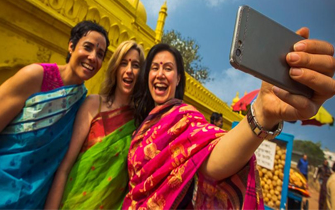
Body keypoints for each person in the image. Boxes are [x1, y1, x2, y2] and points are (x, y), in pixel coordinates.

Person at [123, 27, 335, 209]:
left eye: (168, 68)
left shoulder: (183, 117)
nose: (160, 74)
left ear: (178, 78)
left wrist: (262, 112)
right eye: (154, 67)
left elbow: (213, 160)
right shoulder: (141, 123)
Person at [0, 20, 109, 209]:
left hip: (31, 202)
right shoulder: (35, 77)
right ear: (71, 46)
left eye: (100, 54)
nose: (92, 58)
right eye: (87, 48)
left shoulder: (82, 103)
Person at [44, 41, 145, 209]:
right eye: (123, 63)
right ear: (115, 68)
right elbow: (65, 167)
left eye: (135, 65)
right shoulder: (93, 104)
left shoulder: (140, 122)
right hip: (71, 201)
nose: (129, 71)